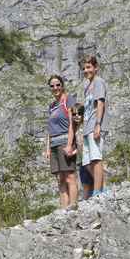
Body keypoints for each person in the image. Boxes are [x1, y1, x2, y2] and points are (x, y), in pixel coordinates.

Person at [44, 75, 77, 209]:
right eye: (52, 86)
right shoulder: (51, 106)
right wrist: (47, 148)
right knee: (61, 179)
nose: (55, 88)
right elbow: (49, 129)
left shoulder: (68, 100)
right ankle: (64, 210)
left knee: (69, 176)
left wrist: (69, 144)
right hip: (54, 145)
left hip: (65, 141)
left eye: (58, 85)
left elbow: (72, 124)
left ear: (62, 85)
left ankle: (73, 206)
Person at [80, 55, 108, 197]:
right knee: (86, 163)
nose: (86, 70)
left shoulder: (98, 82)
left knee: (96, 159)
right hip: (86, 128)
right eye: (84, 68)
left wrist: (98, 124)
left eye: (89, 67)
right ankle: (103, 188)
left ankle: (98, 192)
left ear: (96, 68)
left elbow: (100, 103)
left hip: (95, 125)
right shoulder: (87, 86)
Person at [70, 103, 94, 200]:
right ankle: (86, 198)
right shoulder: (76, 129)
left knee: (92, 175)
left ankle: (100, 190)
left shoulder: (85, 126)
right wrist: (74, 152)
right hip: (80, 160)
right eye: (74, 114)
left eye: (79, 113)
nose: (76, 116)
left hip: (88, 157)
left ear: (83, 114)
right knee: (84, 181)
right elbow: (78, 145)